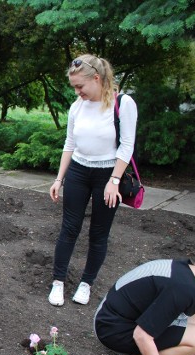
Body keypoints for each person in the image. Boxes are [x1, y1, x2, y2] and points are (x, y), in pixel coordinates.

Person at [48, 54, 138, 306]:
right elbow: (70, 143)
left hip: (108, 175)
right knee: (69, 228)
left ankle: (86, 284)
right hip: (78, 170)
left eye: (80, 86)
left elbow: (127, 145)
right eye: (74, 87)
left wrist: (114, 180)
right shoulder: (78, 105)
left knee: (99, 233)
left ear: (97, 79)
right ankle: (58, 282)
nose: (77, 92)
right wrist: (59, 179)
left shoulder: (123, 103)